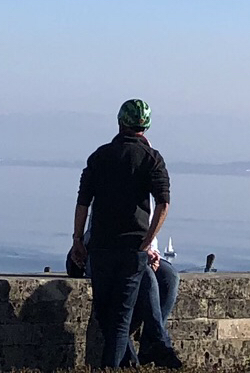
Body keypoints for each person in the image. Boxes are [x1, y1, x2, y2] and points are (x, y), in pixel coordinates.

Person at [70, 99, 173, 368]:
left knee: (107, 316)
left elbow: (83, 202)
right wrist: (148, 241)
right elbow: (163, 203)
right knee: (120, 319)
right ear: (146, 127)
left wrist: (78, 240)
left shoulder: (100, 156)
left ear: (119, 122)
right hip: (132, 250)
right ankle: (149, 347)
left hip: (102, 247)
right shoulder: (152, 158)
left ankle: (138, 353)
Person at [132, 231, 181, 369]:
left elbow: (150, 230)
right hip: (121, 254)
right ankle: (159, 340)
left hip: (144, 253)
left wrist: (153, 254)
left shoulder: (150, 208)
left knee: (170, 277)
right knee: (149, 279)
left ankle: (148, 344)